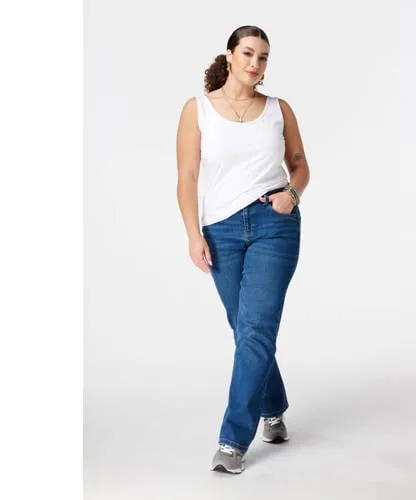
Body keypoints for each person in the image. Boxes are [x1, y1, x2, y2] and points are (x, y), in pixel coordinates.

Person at [176, 25, 310, 474]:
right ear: (230, 55)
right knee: (245, 328)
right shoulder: (197, 110)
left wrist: (291, 194)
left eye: (264, 56)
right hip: (221, 231)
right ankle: (273, 406)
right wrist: (193, 235)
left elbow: (300, 166)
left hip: (275, 226)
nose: (256, 63)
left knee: (255, 330)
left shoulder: (278, 110)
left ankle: (232, 441)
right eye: (248, 53)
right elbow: (186, 177)